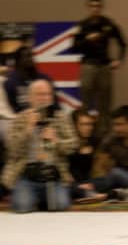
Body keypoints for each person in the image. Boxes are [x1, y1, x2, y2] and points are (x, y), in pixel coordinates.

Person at [2, 79, 78, 213]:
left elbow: (73, 145)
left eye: (48, 94)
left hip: (52, 175)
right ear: (30, 98)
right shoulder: (20, 118)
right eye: (40, 94)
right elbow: (12, 149)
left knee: (61, 205)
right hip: (26, 175)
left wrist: (56, 141)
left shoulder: (60, 118)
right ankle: (36, 198)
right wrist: (27, 130)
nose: (45, 98)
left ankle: (42, 199)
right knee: (22, 207)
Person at [73, 0, 127, 134]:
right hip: (88, 66)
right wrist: (87, 40)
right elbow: (74, 47)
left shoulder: (108, 24)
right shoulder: (83, 25)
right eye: (92, 6)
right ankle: (85, 134)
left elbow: (123, 43)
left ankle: (104, 136)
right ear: (88, 8)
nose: (95, 9)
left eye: (97, 6)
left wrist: (119, 60)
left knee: (105, 105)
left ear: (101, 8)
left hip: (104, 66)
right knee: (86, 104)